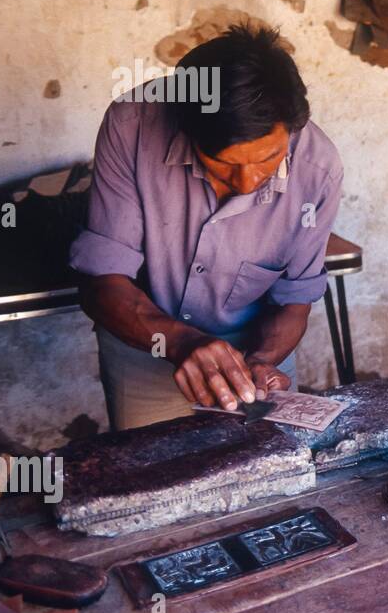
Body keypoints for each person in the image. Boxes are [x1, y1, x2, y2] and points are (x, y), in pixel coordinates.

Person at [69, 25, 343, 430]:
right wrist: (181, 342)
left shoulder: (318, 169)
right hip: (145, 346)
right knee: (154, 481)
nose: (248, 182)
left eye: (267, 159)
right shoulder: (133, 126)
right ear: (189, 130)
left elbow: (294, 302)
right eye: (226, 164)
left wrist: (261, 362)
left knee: (270, 478)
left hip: (255, 365)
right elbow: (102, 284)